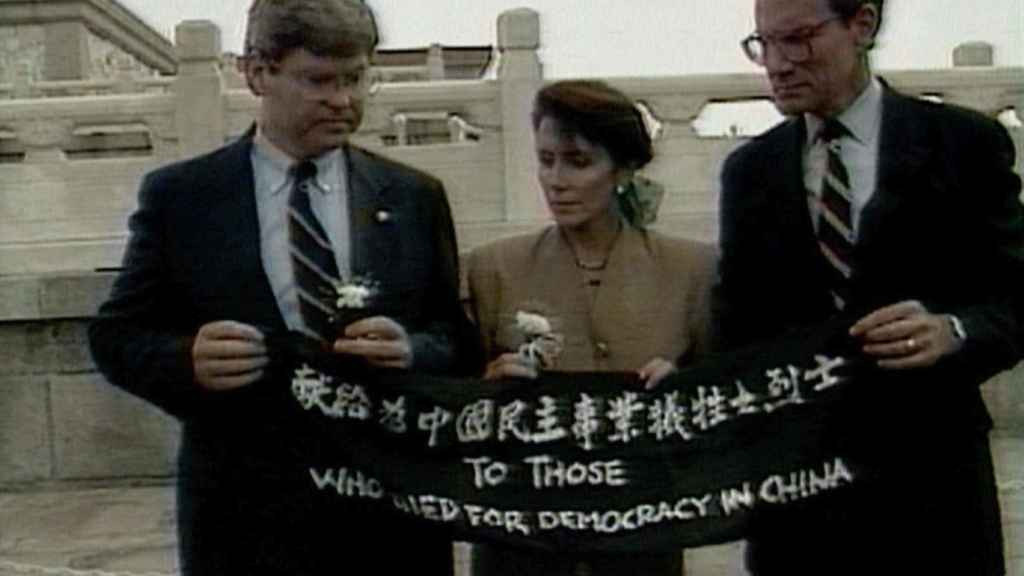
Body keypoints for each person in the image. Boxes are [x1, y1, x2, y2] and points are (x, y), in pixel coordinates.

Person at [88, 0, 476, 574]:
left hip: (388, 515)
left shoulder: (413, 197)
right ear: (257, 73)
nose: (343, 100)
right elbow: (117, 337)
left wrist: (413, 350)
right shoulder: (184, 199)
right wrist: (185, 360)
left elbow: (461, 342)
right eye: (318, 81)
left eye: (356, 78)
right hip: (245, 519)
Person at [714, 0, 1024, 574]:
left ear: (862, 25)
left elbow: (1013, 297)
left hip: (934, 479)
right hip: (801, 496)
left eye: (799, 40)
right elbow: (737, 330)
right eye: (764, 44)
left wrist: (954, 331)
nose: (777, 65)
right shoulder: (749, 172)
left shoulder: (964, 145)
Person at [466, 79, 715, 576]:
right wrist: (487, 386)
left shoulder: (693, 270)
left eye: (578, 162)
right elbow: (448, 400)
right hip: (523, 535)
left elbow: (729, 399)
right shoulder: (492, 268)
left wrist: (685, 388)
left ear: (622, 169)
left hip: (641, 531)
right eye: (546, 159)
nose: (555, 180)